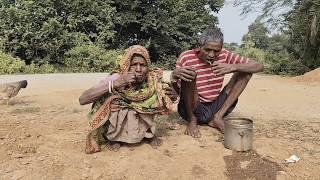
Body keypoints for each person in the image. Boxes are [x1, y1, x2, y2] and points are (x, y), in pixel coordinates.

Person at [79, 45, 176, 154]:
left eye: (142, 65)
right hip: (119, 108)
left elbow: (171, 95)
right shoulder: (117, 77)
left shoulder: (152, 78)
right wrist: (116, 83)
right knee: (113, 100)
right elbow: (83, 99)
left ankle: (148, 134)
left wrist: (172, 95)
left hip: (143, 112)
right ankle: (115, 137)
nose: (138, 69)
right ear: (127, 65)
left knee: (156, 96)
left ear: (148, 66)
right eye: (134, 64)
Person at [170, 26, 264, 138]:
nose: (211, 55)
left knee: (245, 72)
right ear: (200, 46)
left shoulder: (224, 55)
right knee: (190, 74)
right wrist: (174, 77)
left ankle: (218, 117)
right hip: (192, 107)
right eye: (207, 50)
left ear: (221, 48)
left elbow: (259, 66)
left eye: (216, 51)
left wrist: (233, 67)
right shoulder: (186, 57)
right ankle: (192, 121)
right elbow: (178, 91)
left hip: (214, 107)